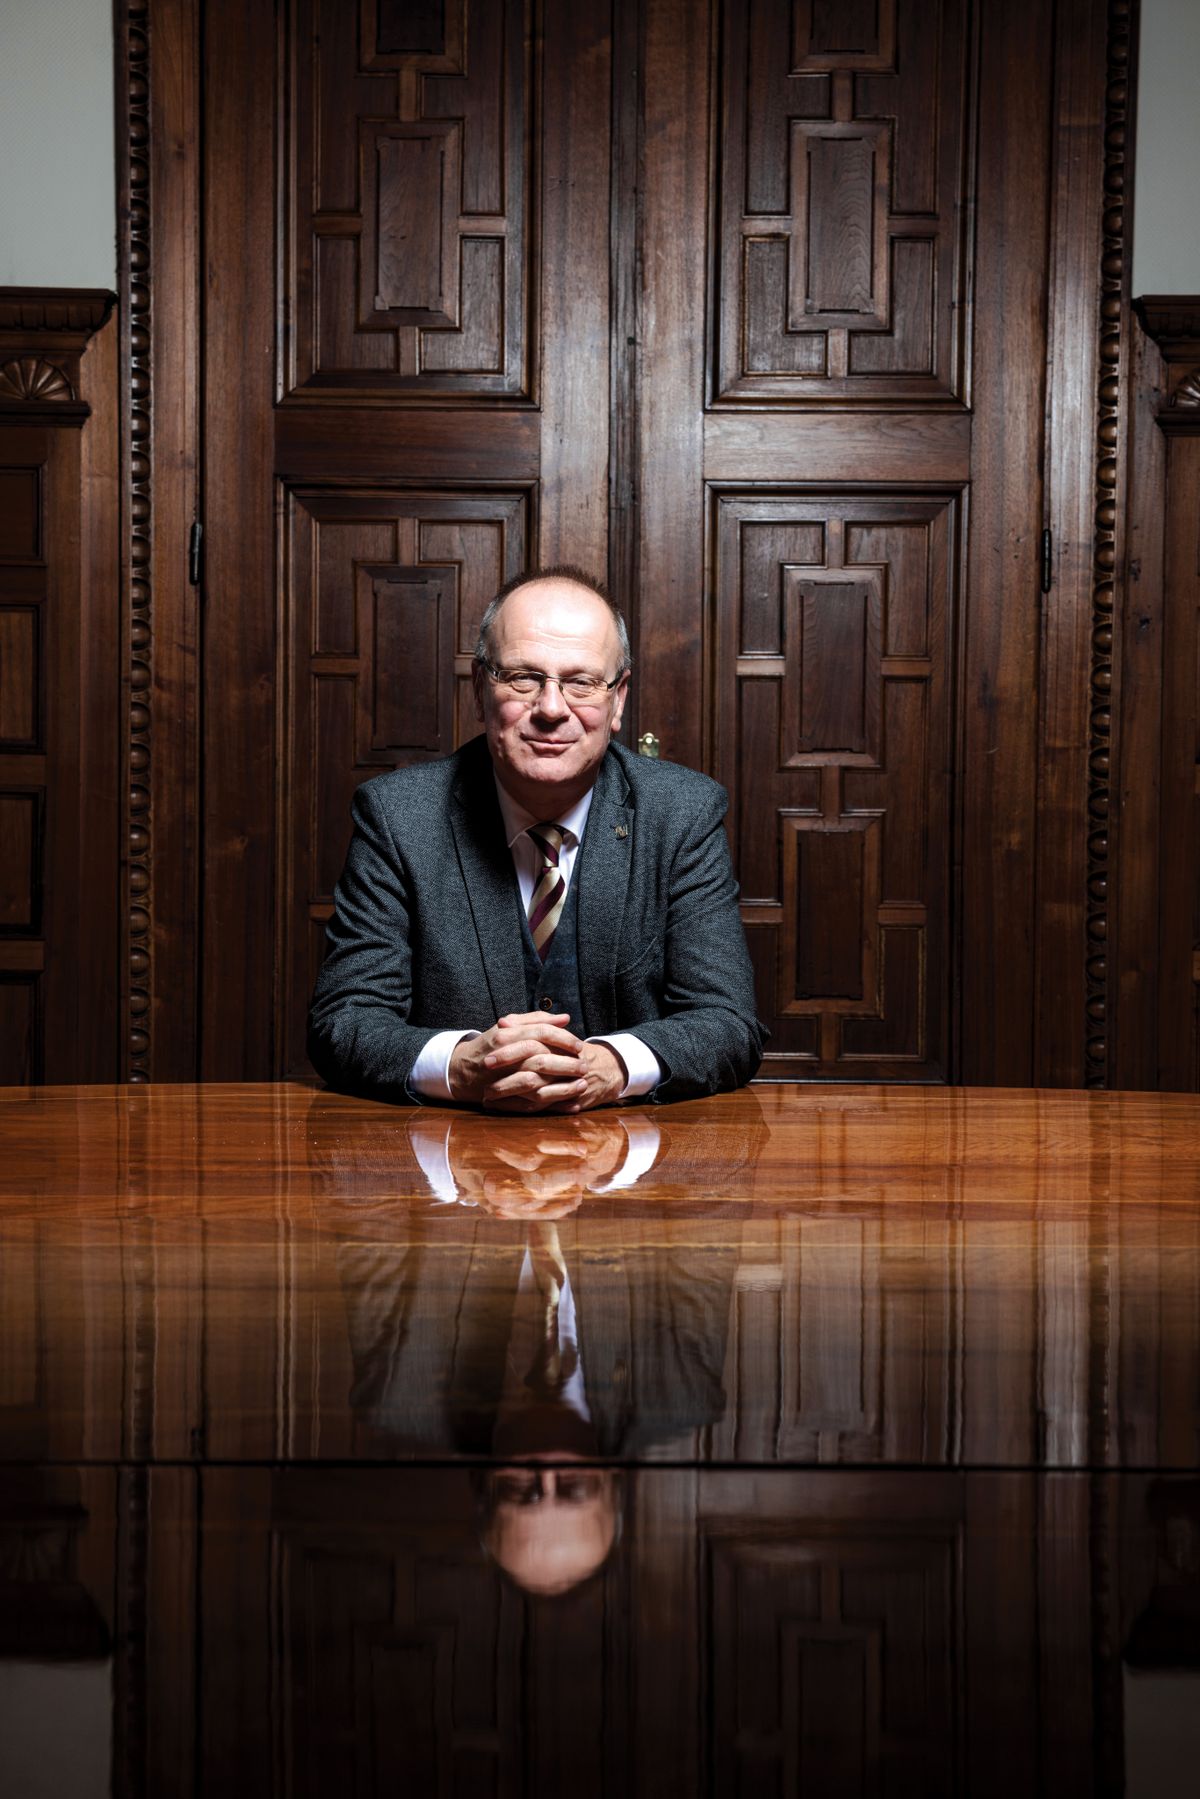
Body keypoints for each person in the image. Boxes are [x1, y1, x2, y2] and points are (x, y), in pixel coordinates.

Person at [307, 566, 765, 1108]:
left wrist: (612, 1066)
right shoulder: (397, 817)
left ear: (618, 700)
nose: (551, 708)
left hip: (633, 1153)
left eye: (581, 682)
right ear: (480, 689)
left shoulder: (682, 813)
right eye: (523, 677)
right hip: (450, 1153)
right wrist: (462, 1065)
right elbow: (344, 1020)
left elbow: (728, 1022)